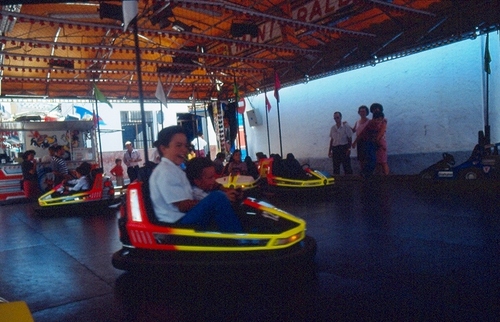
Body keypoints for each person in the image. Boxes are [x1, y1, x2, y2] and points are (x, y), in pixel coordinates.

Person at [149, 126, 243, 233]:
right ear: (163, 148)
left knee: (220, 198)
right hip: (177, 223)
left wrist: (225, 191)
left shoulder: (175, 169)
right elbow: (183, 206)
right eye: (178, 145)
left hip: (184, 217)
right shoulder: (165, 172)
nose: (184, 150)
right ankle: (237, 237)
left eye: (185, 146)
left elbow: (202, 186)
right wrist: (212, 201)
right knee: (217, 198)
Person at [353, 111, 385, 178]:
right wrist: (355, 142)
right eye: (377, 120)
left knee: (374, 160)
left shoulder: (381, 124)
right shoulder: (370, 124)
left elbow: (379, 136)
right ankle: (366, 174)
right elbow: (362, 134)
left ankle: (367, 175)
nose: (379, 121)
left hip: (373, 144)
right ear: (373, 119)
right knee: (371, 160)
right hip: (368, 143)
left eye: (380, 120)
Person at [370, 103, 389, 175]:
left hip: (380, 141)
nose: (376, 110)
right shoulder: (372, 120)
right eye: (374, 109)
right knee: (377, 161)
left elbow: (382, 131)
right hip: (374, 141)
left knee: (383, 161)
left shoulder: (383, 120)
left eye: (377, 108)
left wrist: (377, 140)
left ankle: (386, 177)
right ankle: (379, 177)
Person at [352, 105, 370, 173]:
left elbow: (363, 134)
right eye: (361, 111)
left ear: (366, 112)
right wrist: (346, 125)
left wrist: (354, 142)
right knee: (361, 159)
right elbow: (354, 130)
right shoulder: (357, 122)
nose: (362, 113)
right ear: (359, 112)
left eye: (364, 111)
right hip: (360, 143)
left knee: (367, 158)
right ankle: (363, 172)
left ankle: (367, 173)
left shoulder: (369, 122)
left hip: (367, 142)